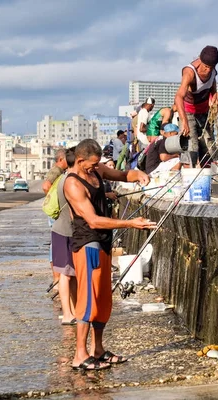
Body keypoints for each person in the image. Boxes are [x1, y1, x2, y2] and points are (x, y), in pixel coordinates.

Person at [64, 139, 156, 371]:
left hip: (104, 242)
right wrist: (131, 224)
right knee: (88, 300)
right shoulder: (73, 184)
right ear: (81, 159)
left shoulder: (97, 169)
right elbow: (93, 220)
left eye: (97, 165)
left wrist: (139, 175)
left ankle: (98, 350)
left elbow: (123, 175)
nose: (96, 168)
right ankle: (79, 355)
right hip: (87, 244)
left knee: (104, 301)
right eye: (92, 165)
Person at [175, 45, 218, 168]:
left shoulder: (213, 72)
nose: (208, 70)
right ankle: (189, 180)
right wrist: (184, 121)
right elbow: (178, 97)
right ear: (201, 61)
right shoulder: (189, 72)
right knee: (190, 149)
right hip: (188, 111)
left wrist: (213, 102)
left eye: (211, 67)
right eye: (206, 66)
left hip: (204, 112)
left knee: (209, 150)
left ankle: (206, 181)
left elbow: (213, 91)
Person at [51, 147, 78, 326]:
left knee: (72, 274)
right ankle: (67, 314)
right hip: (64, 232)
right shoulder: (68, 181)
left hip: (65, 231)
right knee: (65, 275)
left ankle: (75, 311)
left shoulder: (64, 178)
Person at [43, 149, 68, 285]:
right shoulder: (56, 170)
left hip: (57, 211)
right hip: (57, 212)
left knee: (56, 242)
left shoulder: (60, 171)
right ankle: (57, 278)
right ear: (60, 159)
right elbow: (46, 186)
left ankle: (57, 277)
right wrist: (56, 200)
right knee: (56, 243)